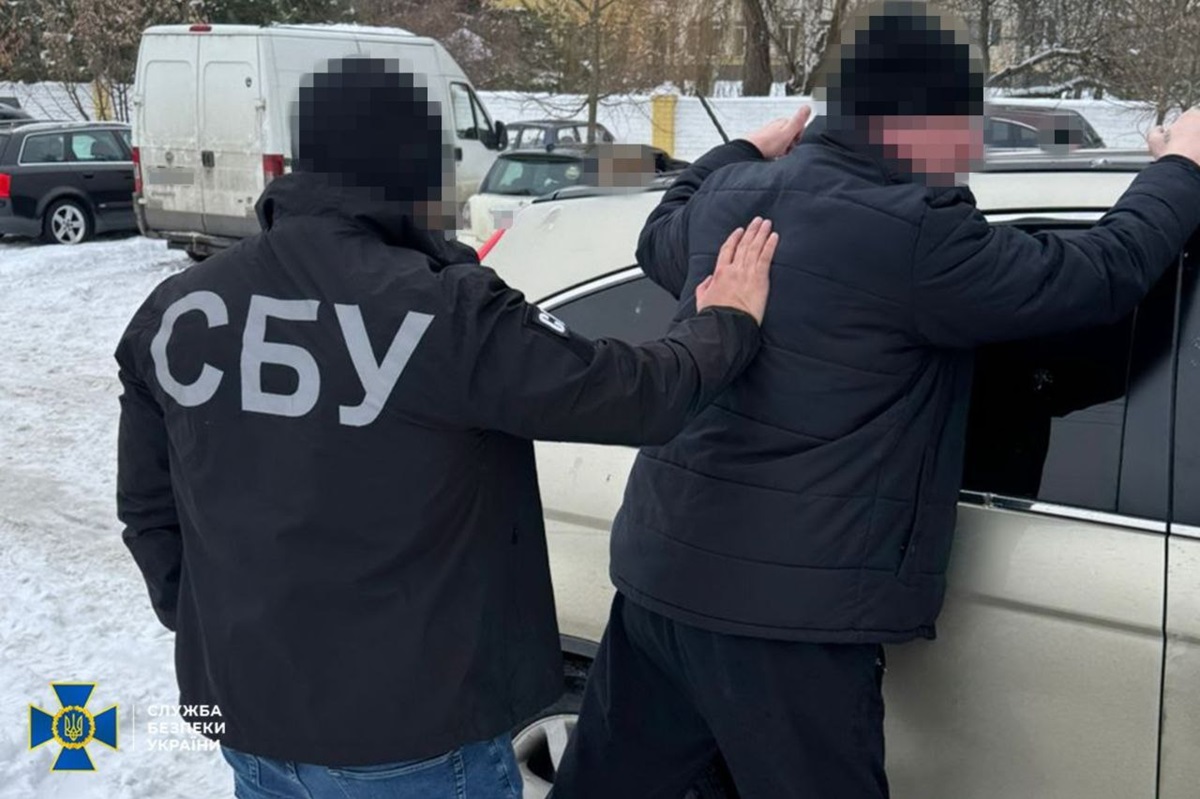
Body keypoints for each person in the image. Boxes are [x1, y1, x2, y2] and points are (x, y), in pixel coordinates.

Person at [551, 3, 1200, 798]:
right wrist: (1182, 169)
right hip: (787, 623)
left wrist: (742, 150)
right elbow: (1102, 273)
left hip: (661, 580)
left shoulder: (730, 197)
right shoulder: (916, 235)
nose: (971, 148)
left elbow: (659, 231)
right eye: (963, 125)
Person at [115, 57, 779, 799]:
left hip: (251, 720)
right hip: (414, 741)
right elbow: (633, 395)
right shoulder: (442, 311)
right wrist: (725, 321)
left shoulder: (176, 311)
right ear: (411, 163)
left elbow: (148, 512)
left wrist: (214, 629)